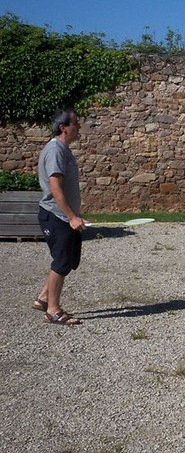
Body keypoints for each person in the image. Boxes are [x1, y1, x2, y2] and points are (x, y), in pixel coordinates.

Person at [33, 109, 86, 325]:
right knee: (62, 261)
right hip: (56, 216)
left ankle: (43, 298)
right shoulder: (55, 150)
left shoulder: (63, 150)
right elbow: (55, 188)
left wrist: (74, 215)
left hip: (64, 216)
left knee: (71, 259)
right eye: (75, 123)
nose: (79, 127)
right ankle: (53, 311)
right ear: (63, 127)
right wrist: (71, 216)